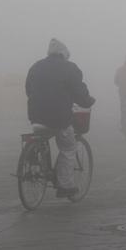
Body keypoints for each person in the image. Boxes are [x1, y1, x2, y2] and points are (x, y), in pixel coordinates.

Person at [26, 38, 95, 198]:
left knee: (41, 135)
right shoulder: (70, 68)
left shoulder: (36, 66)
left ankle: (35, 160)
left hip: (36, 116)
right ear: (64, 54)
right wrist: (88, 101)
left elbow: (28, 90)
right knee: (69, 147)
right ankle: (65, 185)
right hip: (59, 117)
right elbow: (79, 92)